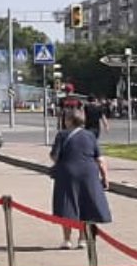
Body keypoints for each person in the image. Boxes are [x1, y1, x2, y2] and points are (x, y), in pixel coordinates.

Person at [48, 106, 111, 249]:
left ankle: (67, 240)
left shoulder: (62, 135)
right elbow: (100, 159)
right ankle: (82, 238)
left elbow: (54, 157)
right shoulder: (90, 135)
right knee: (85, 204)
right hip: (88, 173)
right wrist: (105, 177)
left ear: (69, 120)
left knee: (67, 205)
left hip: (67, 173)